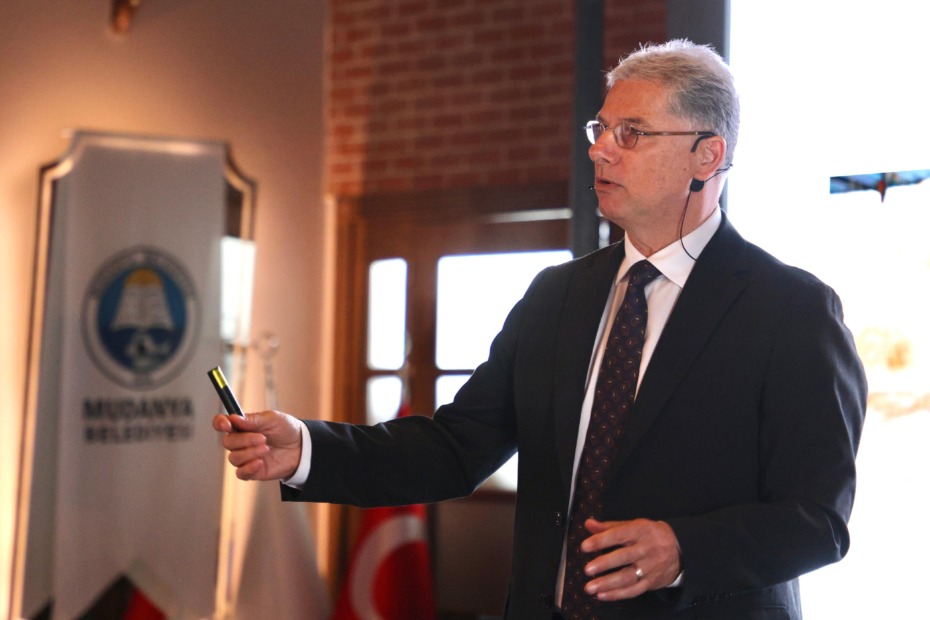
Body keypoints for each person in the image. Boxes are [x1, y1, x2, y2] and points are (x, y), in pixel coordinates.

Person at [214, 39, 866, 619]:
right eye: (601, 128)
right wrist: (309, 450)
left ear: (708, 154)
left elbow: (817, 520)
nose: (600, 149)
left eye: (632, 133)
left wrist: (682, 550)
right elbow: (456, 447)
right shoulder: (558, 295)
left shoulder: (791, 310)